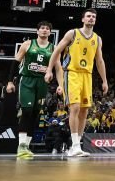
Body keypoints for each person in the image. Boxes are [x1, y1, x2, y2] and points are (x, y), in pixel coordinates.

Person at [45, 8, 108, 157]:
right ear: (83, 19)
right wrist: (49, 70)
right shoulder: (72, 33)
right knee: (75, 108)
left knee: (84, 110)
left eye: (93, 17)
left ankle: (76, 145)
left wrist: (104, 80)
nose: (91, 18)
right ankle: (74, 145)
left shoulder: (97, 39)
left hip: (87, 75)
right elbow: (56, 51)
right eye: (88, 16)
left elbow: (99, 61)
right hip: (71, 73)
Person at [7, 21, 54, 159]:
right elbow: (15, 62)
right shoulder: (27, 44)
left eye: (47, 29)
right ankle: (21, 145)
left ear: (50, 32)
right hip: (27, 80)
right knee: (27, 111)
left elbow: (58, 68)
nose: (44, 30)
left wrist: (61, 85)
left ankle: (26, 146)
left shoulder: (53, 48)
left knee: (35, 114)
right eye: (42, 28)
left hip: (42, 83)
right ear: (37, 31)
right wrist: (10, 81)